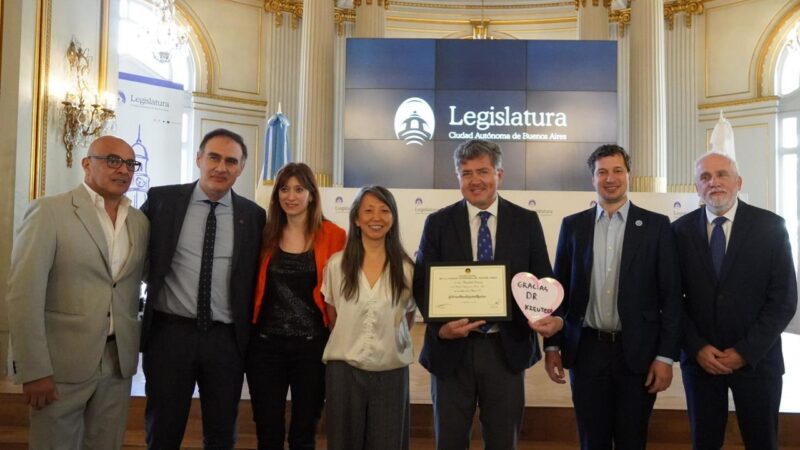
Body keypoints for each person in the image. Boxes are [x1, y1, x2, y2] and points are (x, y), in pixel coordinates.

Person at [413, 139, 558, 449]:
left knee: (503, 441)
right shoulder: (437, 223)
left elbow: (542, 278)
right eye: (466, 173)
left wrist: (543, 314)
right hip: (452, 349)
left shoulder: (526, 222)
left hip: (505, 349)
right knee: (450, 441)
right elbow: (422, 284)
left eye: (483, 171)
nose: (475, 180)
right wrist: (441, 328)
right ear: (458, 178)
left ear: (499, 175)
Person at [6, 136, 149, 449]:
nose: (123, 169)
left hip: (117, 362)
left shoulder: (139, 222)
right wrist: (33, 369)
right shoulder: (50, 212)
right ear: (87, 164)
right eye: (113, 160)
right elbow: (24, 295)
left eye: (130, 163)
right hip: (60, 365)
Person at [543, 144, 682, 449]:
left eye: (617, 170)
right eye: (602, 172)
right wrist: (552, 345)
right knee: (593, 440)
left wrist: (664, 357)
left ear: (628, 175)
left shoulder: (657, 226)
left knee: (633, 439)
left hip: (639, 353)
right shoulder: (573, 226)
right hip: (586, 350)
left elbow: (671, 297)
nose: (610, 178)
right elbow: (558, 292)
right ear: (592, 179)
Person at [140, 128, 266, 449]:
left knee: (222, 434)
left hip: (226, 342)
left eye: (231, 161)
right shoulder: (162, 201)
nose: (221, 167)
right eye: (214, 157)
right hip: (170, 336)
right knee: (163, 431)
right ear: (198, 158)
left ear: (240, 169)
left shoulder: (254, 217)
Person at [672, 151, 797, 450]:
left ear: (738, 182)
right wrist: (697, 347)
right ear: (696, 188)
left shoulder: (771, 228)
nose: (714, 182)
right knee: (704, 442)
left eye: (721, 174)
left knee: (762, 442)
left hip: (758, 361)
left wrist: (744, 351)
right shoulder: (677, 232)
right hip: (702, 363)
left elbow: (783, 300)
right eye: (705, 177)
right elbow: (672, 299)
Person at [246, 162, 346, 450]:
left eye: (299, 189)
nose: (291, 196)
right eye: (284, 189)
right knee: (268, 432)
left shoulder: (335, 236)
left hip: (312, 349)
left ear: (312, 194)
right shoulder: (264, 235)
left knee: (304, 432)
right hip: (265, 349)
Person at [322, 186, 416, 450]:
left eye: (385, 210)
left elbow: (406, 319)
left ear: (393, 218)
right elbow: (333, 317)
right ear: (355, 218)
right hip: (344, 372)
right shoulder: (337, 265)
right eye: (369, 210)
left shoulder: (407, 270)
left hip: (391, 372)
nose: (377, 217)